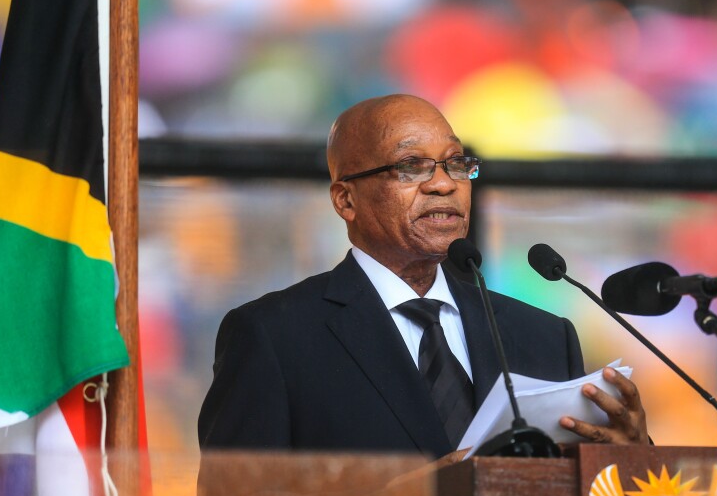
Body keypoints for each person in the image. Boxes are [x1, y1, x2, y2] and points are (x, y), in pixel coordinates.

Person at [198, 94, 648, 457]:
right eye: (411, 166)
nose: (444, 183)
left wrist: (629, 456)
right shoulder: (275, 337)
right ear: (346, 201)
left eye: (456, 163)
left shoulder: (544, 338)